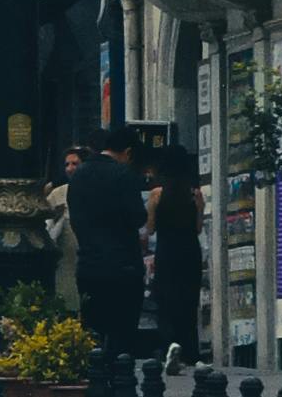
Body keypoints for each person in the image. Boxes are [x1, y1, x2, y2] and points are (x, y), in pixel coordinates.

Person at [61, 130, 145, 360]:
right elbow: (138, 216)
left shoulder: (78, 175)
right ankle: (120, 384)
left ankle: (96, 382)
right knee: (122, 332)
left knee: (93, 330)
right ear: (127, 152)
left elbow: (75, 218)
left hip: (89, 263)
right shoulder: (123, 173)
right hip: (123, 265)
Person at [149, 150, 204, 363]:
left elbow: (151, 227)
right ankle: (190, 349)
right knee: (188, 300)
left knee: (165, 299)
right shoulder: (195, 193)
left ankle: (168, 344)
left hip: (166, 249)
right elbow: (198, 227)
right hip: (190, 250)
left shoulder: (157, 194)